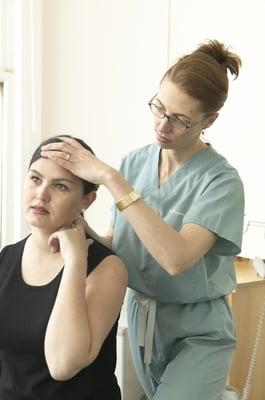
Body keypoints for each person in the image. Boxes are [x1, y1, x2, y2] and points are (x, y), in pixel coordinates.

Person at [41, 40, 245, 400]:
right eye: (159, 108)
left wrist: (109, 177)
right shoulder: (136, 162)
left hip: (198, 332)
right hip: (139, 321)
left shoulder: (220, 182)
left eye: (180, 120)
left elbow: (176, 258)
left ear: (209, 120)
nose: (163, 125)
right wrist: (76, 222)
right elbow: (120, 245)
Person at [0, 135, 127, 400]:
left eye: (60, 186)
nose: (41, 194)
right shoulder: (6, 258)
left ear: (86, 201)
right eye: (35, 179)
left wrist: (75, 263)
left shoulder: (107, 268)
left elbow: (62, 364)